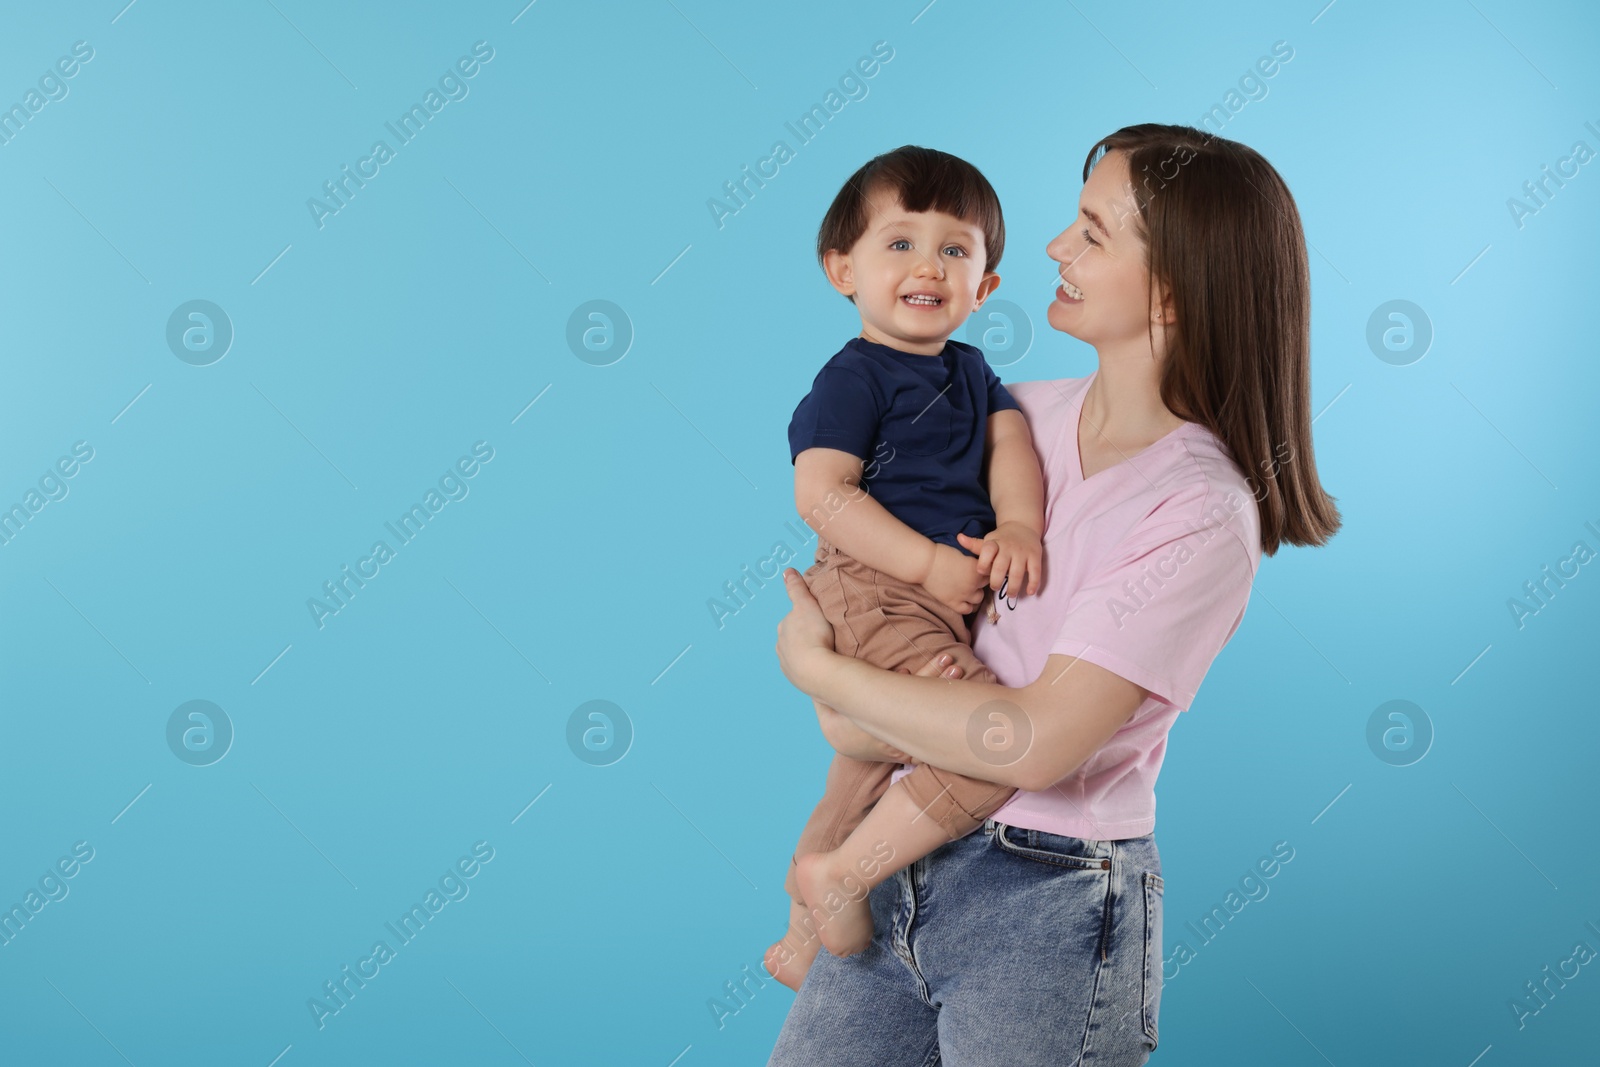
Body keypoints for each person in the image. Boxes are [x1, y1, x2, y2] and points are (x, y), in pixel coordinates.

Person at [768, 123, 1342, 1065]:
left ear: (1172, 286)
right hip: (894, 863)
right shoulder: (1013, 412)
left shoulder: (1197, 510)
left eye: (1092, 230)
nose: (1052, 247)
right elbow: (860, 684)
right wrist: (846, 694)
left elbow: (1031, 741)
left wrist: (814, 668)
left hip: (1049, 904)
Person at [766, 145, 1049, 990]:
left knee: (857, 774)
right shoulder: (854, 377)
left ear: (986, 286)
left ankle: (800, 932)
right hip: (875, 583)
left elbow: (1012, 444)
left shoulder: (972, 370)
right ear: (841, 268)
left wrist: (1023, 526)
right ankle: (842, 877)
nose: (929, 265)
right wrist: (926, 565)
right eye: (900, 244)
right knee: (990, 739)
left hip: (932, 598)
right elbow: (822, 493)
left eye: (955, 251)